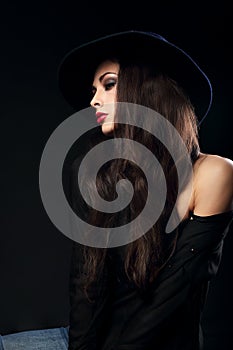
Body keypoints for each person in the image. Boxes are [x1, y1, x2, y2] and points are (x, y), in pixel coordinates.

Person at [1, 31, 232, 350]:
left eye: (108, 84)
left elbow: (172, 297)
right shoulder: (99, 172)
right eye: (93, 90)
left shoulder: (213, 172)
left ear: (148, 88)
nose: (93, 100)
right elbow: (87, 286)